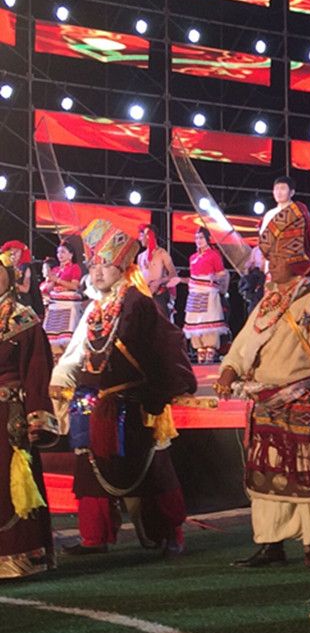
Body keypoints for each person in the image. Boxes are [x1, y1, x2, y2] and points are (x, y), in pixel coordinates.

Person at [219, 202, 310, 571]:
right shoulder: (268, 304)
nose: (270, 262)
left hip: (307, 405)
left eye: (278, 256)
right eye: (269, 255)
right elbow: (243, 344)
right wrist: (230, 370)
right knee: (269, 478)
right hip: (267, 405)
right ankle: (271, 542)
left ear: (298, 259)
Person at [51, 219, 197, 557]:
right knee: (90, 470)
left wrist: (158, 396)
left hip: (134, 403)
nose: (97, 271)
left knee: (153, 470)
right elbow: (78, 353)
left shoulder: (138, 303)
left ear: (122, 266)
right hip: (93, 403)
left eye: (105, 264)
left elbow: (164, 349)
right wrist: (60, 382)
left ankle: (169, 533)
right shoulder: (94, 309)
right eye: (93, 264)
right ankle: (95, 536)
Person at [0, 247, 58, 579]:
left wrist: (37, 418)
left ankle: (21, 554)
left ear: (10, 279)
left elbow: (37, 372)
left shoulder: (23, 319)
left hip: (10, 417)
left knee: (13, 485)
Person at [183, 227, 229, 364]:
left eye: (201, 238)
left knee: (209, 322)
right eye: (196, 238)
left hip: (208, 293)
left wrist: (214, 277)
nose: (199, 240)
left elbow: (222, 273)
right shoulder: (192, 258)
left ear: (208, 239)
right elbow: (192, 277)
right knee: (195, 323)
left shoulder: (213, 255)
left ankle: (210, 353)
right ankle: (200, 352)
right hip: (194, 294)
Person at [40, 240, 83, 357]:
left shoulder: (75, 268)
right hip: (54, 306)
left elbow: (74, 286)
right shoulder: (55, 270)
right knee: (51, 339)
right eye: (58, 252)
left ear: (71, 254)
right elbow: (48, 289)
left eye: (63, 252)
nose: (59, 255)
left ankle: (67, 358)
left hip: (67, 306)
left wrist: (57, 280)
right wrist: (49, 279)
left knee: (66, 339)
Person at [137, 225, 178, 319]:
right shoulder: (140, 256)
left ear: (148, 236)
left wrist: (159, 281)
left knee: (162, 322)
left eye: (141, 235)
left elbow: (173, 275)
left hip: (159, 295)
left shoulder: (162, 253)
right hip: (145, 295)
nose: (139, 239)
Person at [1, 241, 41, 314]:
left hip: (22, 304)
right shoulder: (4, 268)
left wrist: (10, 284)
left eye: (16, 251)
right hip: (7, 303)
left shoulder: (25, 267)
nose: (13, 254)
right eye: (11, 251)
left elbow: (25, 289)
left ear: (22, 253)